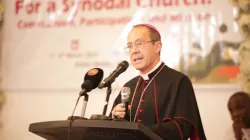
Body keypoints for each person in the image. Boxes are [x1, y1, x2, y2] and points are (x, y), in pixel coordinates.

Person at [109, 23, 207, 140]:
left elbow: (183, 127)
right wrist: (114, 117)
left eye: (139, 43)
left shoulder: (178, 81)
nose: (133, 51)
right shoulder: (129, 86)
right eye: (130, 46)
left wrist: (140, 133)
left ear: (157, 46)